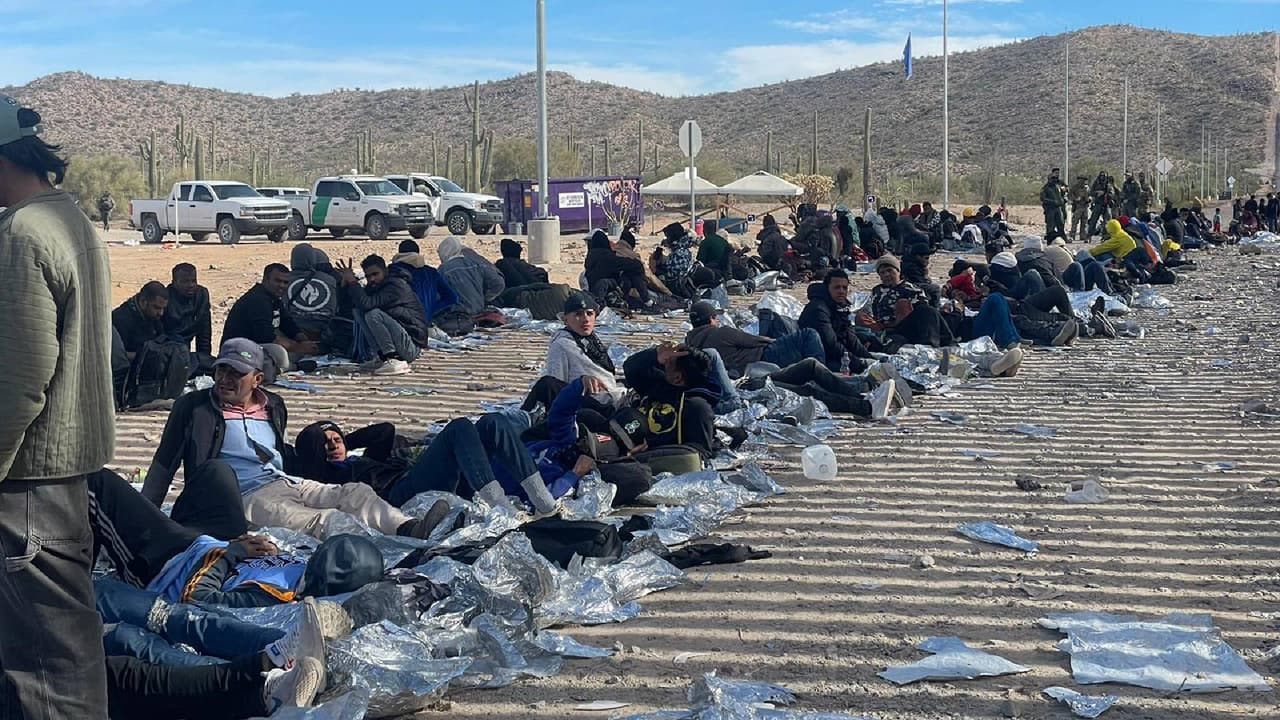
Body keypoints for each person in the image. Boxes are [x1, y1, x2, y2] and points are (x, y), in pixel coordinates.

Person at [0, 92, 115, 720]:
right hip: (62, 478)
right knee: (65, 656)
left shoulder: (21, 233)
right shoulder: (70, 219)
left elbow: (18, 380)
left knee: (45, 674)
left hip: (25, 482)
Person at [141, 338, 443, 541]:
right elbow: (164, 465)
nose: (225, 379)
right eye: (221, 371)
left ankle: (410, 528)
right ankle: (377, 549)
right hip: (245, 497)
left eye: (236, 374)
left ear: (257, 379)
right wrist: (145, 522)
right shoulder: (195, 408)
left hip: (286, 481)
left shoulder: (272, 404)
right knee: (323, 521)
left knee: (355, 493)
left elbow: (278, 451)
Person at [622, 343, 722, 467]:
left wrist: (650, 448)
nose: (662, 365)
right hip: (626, 433)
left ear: (677, 378)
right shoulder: (661, 386)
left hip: (650, 459)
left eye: (667, 363)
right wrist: (654, 355)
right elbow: (630, 368)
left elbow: (699, 453)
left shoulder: (697, 407)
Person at [335, 254, 429, 375]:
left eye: (375, 274)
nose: (372, 279)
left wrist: (353, 282)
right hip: (400, 340)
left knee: (373, 314)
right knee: (358, 312)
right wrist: (345, 284)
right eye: (368, 276)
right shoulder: (375, 286)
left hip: (411, 346)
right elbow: (349, 307)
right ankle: (382, 358)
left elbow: (367, 304)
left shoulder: (395, 285)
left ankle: (393, 359)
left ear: (385, 271)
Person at [685, 300, 824, 376]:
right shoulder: (721, 333)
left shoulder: (690, 342)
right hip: (764, 356)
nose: (718, 321)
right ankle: (821, 374)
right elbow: (755, 340)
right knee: (809, 334)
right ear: (711, 319)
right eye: (716, 318)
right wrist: (780, 341)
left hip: (744, 368)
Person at [222, 263, 318, 372]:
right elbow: (266, 336)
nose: (282, 285)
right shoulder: (258, 300)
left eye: (285, 282)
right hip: (238, 350)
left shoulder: (274, 298)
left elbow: (287, 323)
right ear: (265, 280)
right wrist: (298, 347)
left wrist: (304, 340)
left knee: (291, 347)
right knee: (279, 352)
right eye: (277, 281)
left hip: (259, 346)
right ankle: (293, 367)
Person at [856, 255, 952, 348]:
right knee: (860, 316)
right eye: (882, 272)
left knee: (903, 304)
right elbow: (871, 310)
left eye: (890, 271)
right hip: (882, 327)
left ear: (898, 271)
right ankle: (881, 337)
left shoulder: (911, 289)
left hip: (904, 327)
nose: (886, 275)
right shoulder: (877, 291)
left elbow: (925, 313)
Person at [798, 269, 873, 373]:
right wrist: (859, 364)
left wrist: (871, 360)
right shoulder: (818, 308)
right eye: (837, 287)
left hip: (831, 353)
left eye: (844, 288)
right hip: (815, 356)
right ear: (827, 288)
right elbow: (831, 344)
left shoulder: (840, 306)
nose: (841, 291)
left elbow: (851, 338)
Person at [437, 235, 506, 317]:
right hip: (478, 312)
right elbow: (498, 283)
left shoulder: (443, 269)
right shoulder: (475, 264)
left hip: (457, 315)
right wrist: (486, 297)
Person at [285, 243, 340, 342]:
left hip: (296, 332)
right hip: (324, 331)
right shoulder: (330, 279)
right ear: (312, 259)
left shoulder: (284, 280)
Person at [584, 229, 650, 309]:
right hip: (608, 289)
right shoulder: (607, 257)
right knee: (632, 275)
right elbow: (635, 265)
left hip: (594, 290)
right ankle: (647, 301)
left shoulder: (591, 257)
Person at [164, 262, 213, 365]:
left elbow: (204, 332)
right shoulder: (166, 299)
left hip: (186, 351)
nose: (191, 285)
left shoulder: (201, 295)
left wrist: (204, 358)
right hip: (168, 350)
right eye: (185, 282)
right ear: (174, 283)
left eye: (193, 281)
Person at [112, 281, 169, 359]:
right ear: (143, 302)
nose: (161, 313)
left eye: (163, 308)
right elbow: (118, 355)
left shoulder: (153, 315)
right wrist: (146, 357)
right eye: (157, 308)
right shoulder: (121, 319)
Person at [1040, 168, 1067, 243]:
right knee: (1050, 225)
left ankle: (1063, 238)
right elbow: (1043, 198)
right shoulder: (1045, 188)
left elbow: (1064, 193)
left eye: (1055, 178)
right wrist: (1053, 202)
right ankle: (1050, 240)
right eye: (1052, 178)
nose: (1054, 180)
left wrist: (1063, 200)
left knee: (1061, 224)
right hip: (1050, 209)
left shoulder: (1058, 187)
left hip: (1058, 208)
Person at [1068, 175, 1090, 242]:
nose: (1082, 181)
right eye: (1081, 180)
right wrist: (1075, 199)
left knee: (1084, 222)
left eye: (1083, 180)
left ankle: (1083, 236)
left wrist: (1089, 199)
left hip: (1085, 206)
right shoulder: (1075, 187)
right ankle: (1072, 235)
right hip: (1078, 206)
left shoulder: (1087, 188)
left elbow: (1090, 195)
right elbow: (1069, 195)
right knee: (1075, 221)